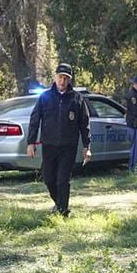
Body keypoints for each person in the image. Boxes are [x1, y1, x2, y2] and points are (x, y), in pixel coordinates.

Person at [26, 63, 91, 217]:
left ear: (70, 80)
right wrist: (31, 142)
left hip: (68, 147)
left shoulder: (77, 99)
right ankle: (59, 203)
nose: (62, 81)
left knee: (63, 180)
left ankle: (63, 211)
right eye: (60, 77)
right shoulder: (45, 97)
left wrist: (87, 146)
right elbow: (35, 120)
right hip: (49, 145)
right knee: (48, 178)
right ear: (55, 77)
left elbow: (85, 123)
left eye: (66, 78)